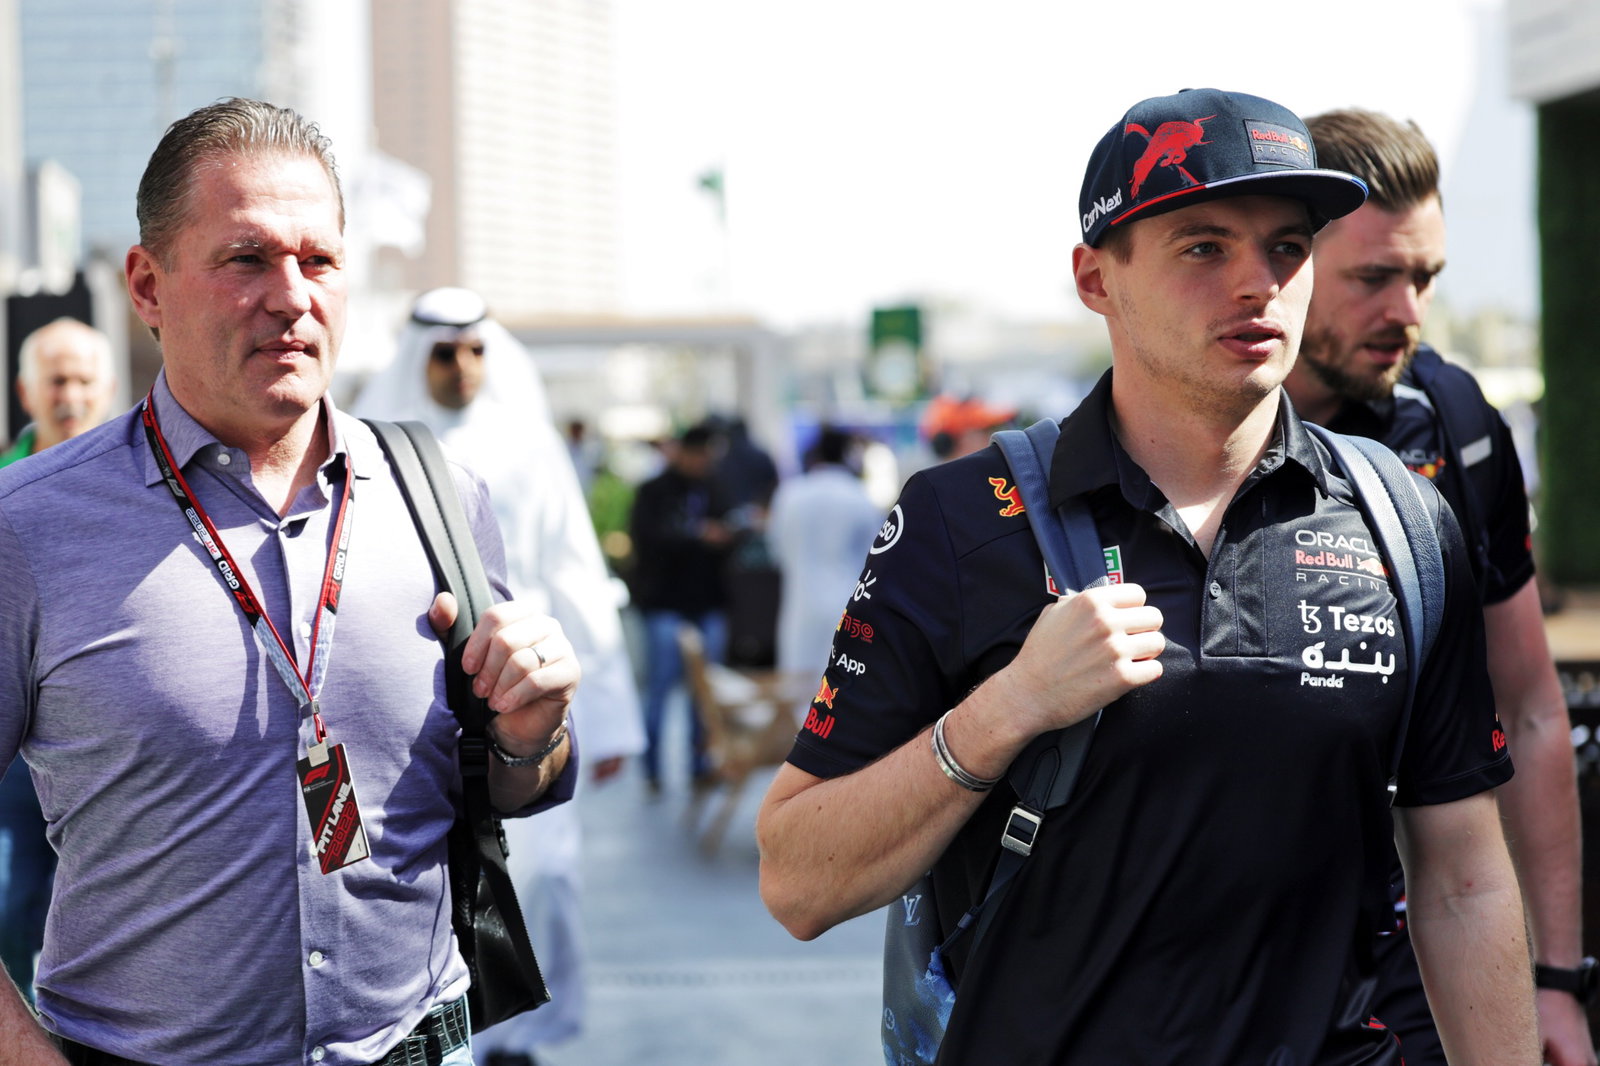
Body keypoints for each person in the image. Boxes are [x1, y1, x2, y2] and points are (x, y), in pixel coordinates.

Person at [756, 87, 1538, 1065]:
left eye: (1287, 248)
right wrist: (1007, 710)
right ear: (1096, 278)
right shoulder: (961, 520)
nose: (1257, 283)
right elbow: (797, 882)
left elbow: (1464, 879)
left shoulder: (1402, 521)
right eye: (1204, 248)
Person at [0, 98, 580, 1065]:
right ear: (147, 285)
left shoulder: (441, 498)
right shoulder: (30, 527)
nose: (291, 295)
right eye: (246, 259)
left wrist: (535, 734)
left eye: (319, 260)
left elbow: (513, 786)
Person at [1284, 108, 1593, 1066]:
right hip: (1239, 973)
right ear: (1289, 261)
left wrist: (1557, 981)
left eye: (1424, 278)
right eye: (1374, 278)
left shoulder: (1456, 423)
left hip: (1433, 951)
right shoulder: (1195, 436)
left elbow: (1530, 709)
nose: (1408, 312)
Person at [352, 286, 644, 1066]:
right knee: (416, 877)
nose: (463, 367)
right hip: (407, 697)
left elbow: (575, 573)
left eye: (477, 349)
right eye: (444, 352)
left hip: (525, 695)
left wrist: (610, 718)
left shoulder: (529, 442)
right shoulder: (366, 443)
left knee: (544, 875)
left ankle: (518, 1039)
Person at [0, 318, 117, 1007]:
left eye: (82, 380)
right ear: (26, 392)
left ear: (108, 388)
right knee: (12, 901)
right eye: (56, 380)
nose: (70, 394)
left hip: (109, 737)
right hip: (14, 749)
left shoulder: (149, 490)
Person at [628, 423, 732, 796]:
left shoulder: (714, 488)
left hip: (707, 601)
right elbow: (647, 539)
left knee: (704, 691)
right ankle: (652, 767)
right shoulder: (653, 491)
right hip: (665, 603)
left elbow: (729, 533)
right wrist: (696, 536)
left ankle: (700, 763)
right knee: (660, 687)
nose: (703, 462)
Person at [768, 426, 883, 680]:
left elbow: (776, 549)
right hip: (848, 606)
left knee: (797, 686)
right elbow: (876, 559)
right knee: (840, 686)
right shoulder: (860, 498)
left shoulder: (790, 494)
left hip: (800, 603)